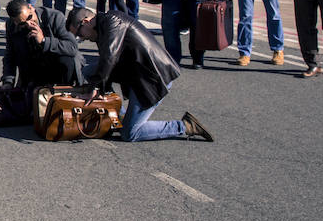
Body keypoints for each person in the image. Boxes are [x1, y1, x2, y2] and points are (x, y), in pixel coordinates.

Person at [67, 8, 214, 143]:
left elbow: (109, 57)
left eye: (79, 34)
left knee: (130, 134)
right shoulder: (101, 28)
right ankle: (118, 115)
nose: (82, 39)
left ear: (85, 22)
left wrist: (95, 88)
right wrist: (97, 87)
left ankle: (185, 126)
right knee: (87, 72)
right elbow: (108, 63)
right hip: (135, 74)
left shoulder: (112, 20)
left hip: (151, 79)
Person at [0, 0, 83, 88]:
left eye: (29, 17)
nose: (29, 24)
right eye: (22, 24)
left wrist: (44, 41)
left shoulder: (54, 17)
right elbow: (10, 55)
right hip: (34, 69)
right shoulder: (11, 26)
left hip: (57, 67)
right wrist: (8, 81)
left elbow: (72, 47)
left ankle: (66, 90)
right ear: (15, 22)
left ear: (31, 8)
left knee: (68, 59)